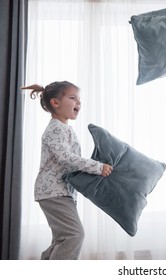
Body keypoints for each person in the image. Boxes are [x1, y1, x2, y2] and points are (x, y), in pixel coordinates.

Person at [21, 81, 113, 260]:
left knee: (62, 239)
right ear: (55, 103)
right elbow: (67, 158)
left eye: (79, 99)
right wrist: (97, 167)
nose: (78, 102)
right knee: (74, 235)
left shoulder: (64, 129)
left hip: (59, 192)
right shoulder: (55, 129)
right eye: (73, 98)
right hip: (53, 192)